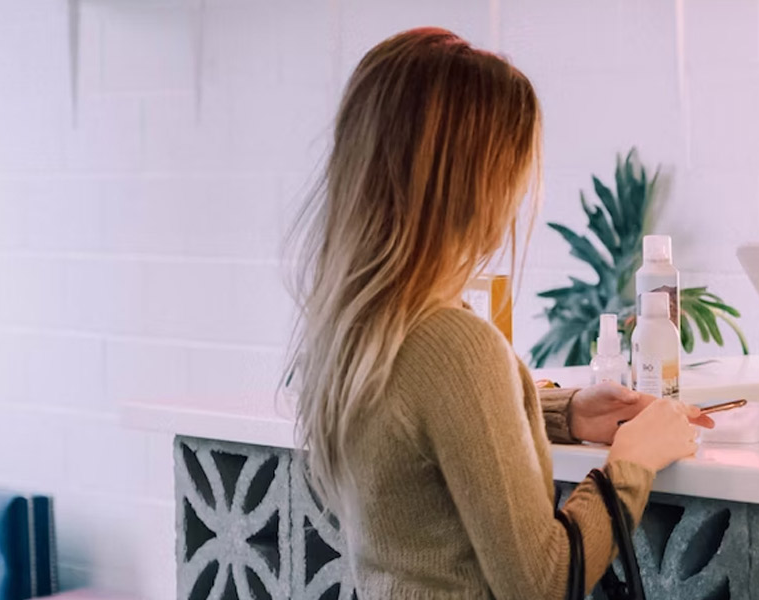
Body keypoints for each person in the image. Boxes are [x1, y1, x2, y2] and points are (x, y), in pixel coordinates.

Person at [288, 28, 711, 599]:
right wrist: (632, 463)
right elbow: (543, 582)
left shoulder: (356, 327)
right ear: (474, 182)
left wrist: (564, 414)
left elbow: (430, 427)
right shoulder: (455, 345)